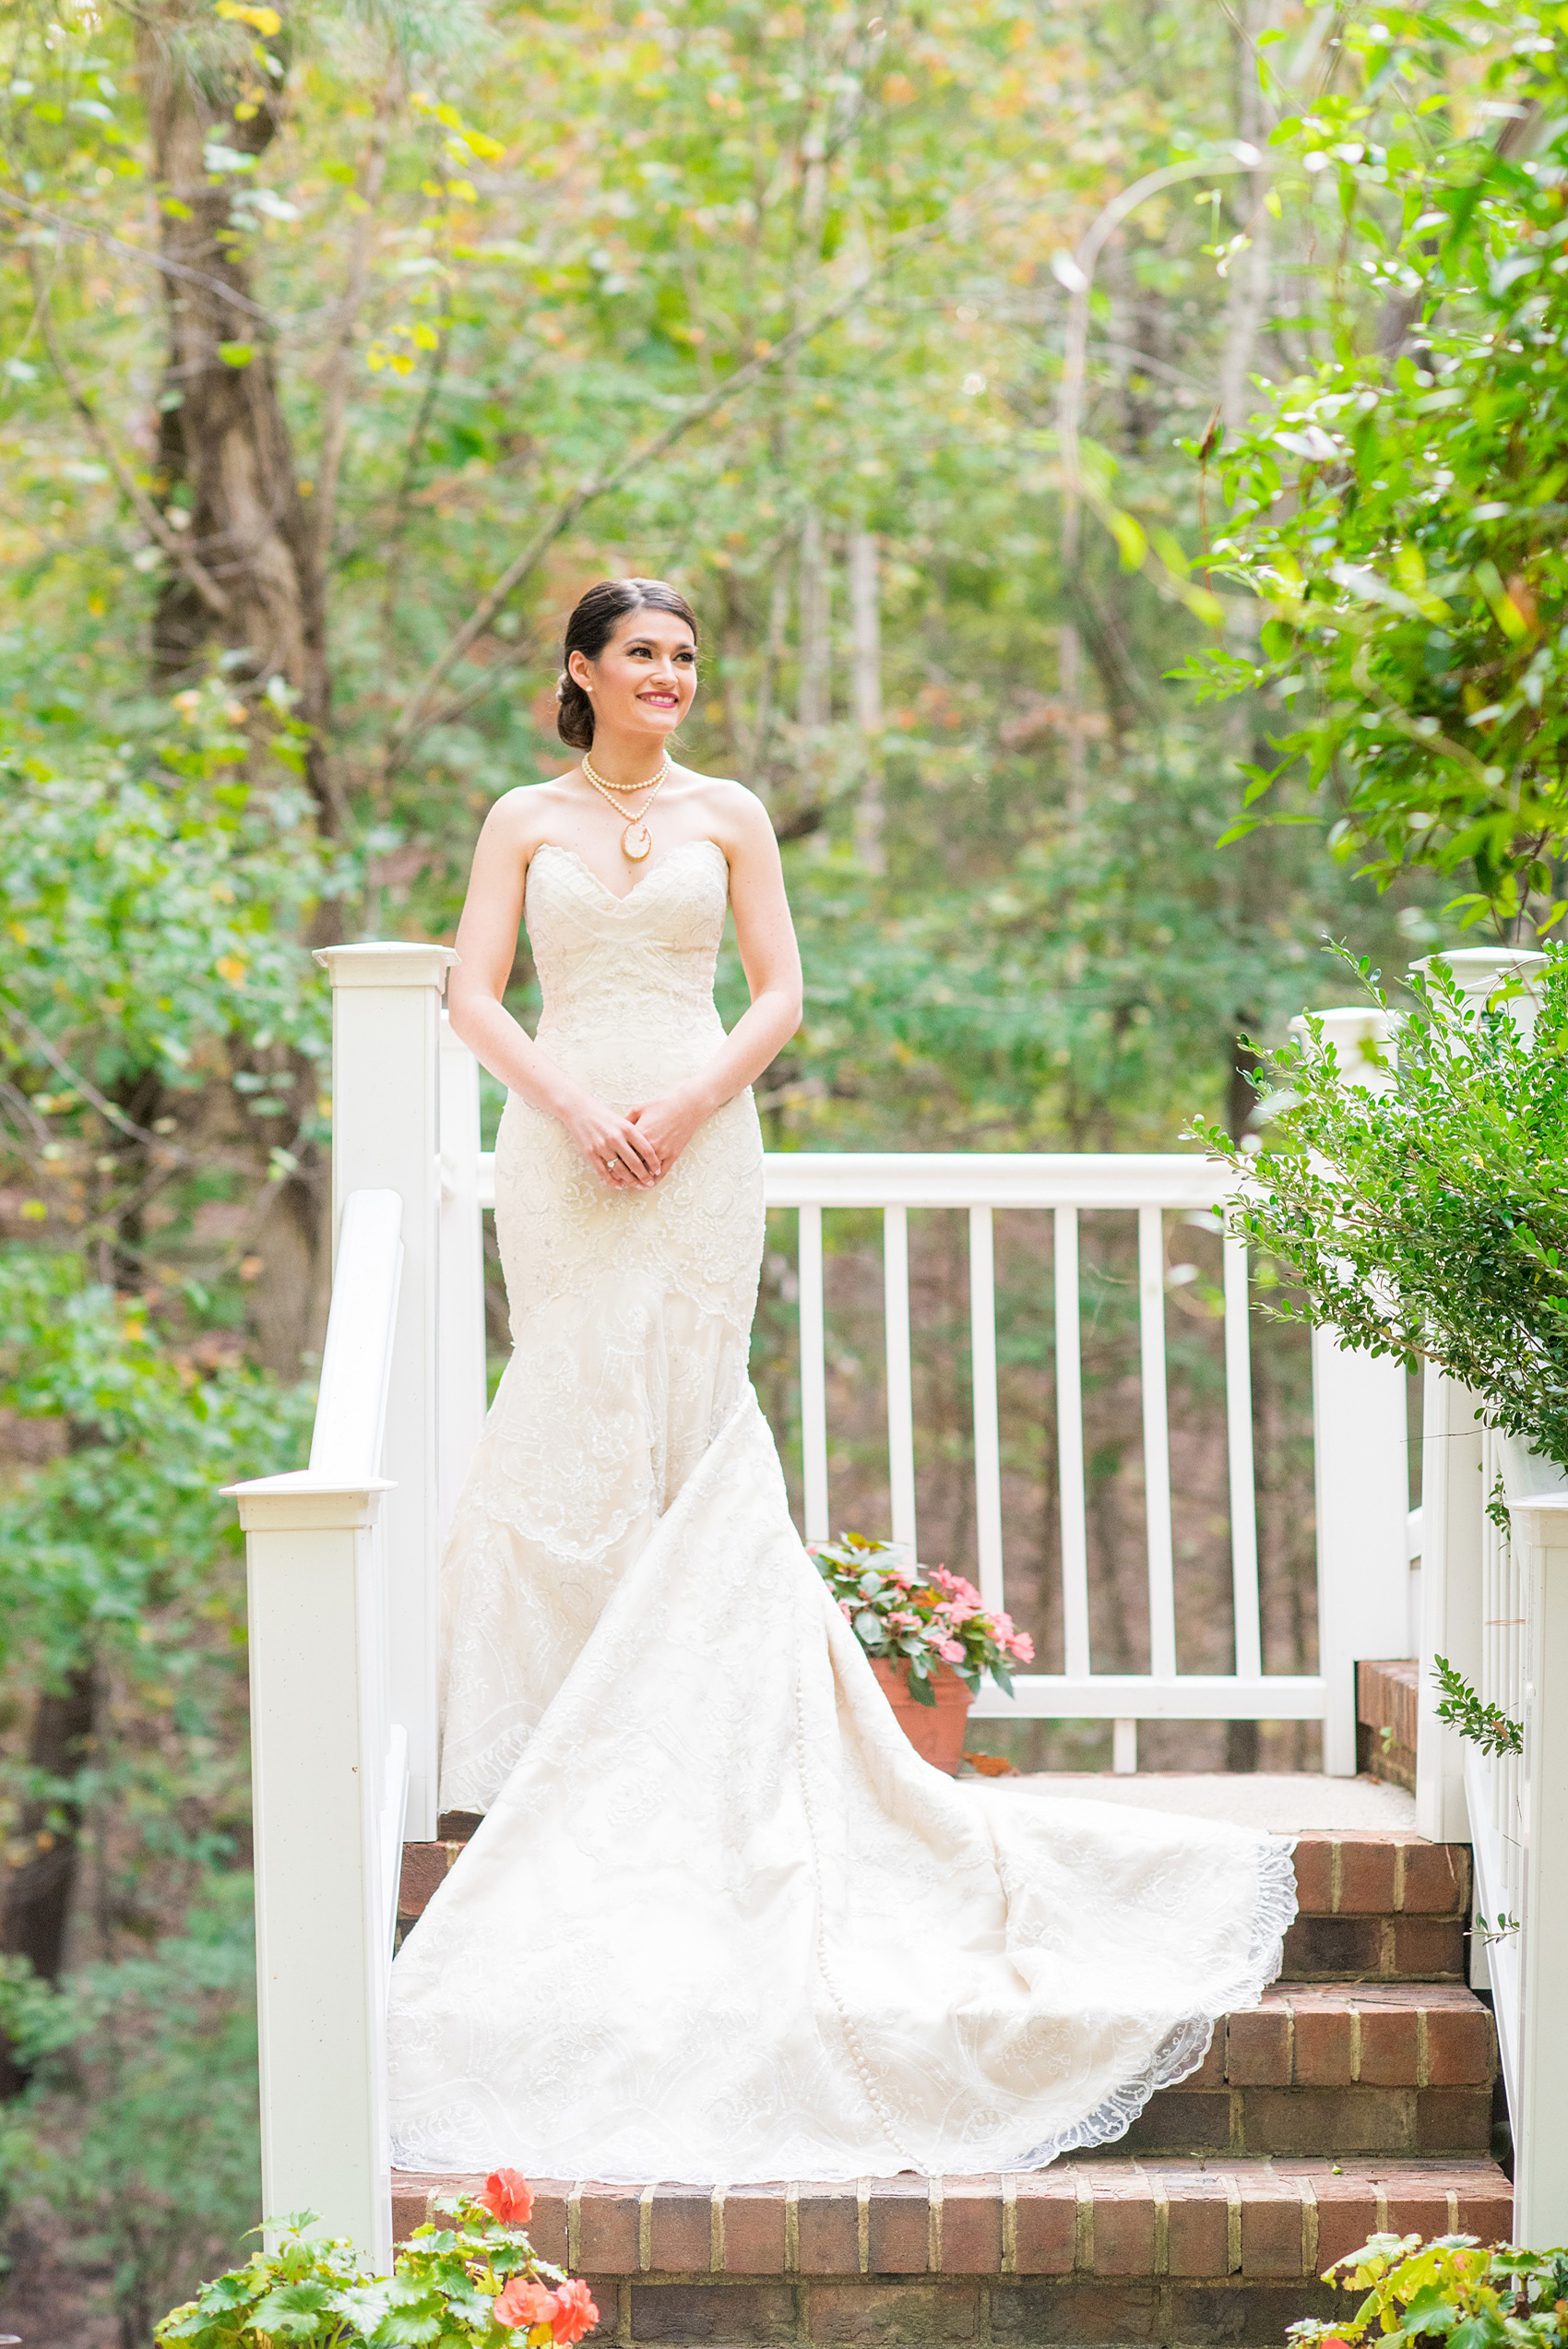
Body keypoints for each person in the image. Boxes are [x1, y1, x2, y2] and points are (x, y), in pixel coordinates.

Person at [386, 577, 1295, 2185]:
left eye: (685, 657)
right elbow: (470, 993)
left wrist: (677, 1103)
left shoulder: (731, 811)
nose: (668, 677)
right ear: (579, 671)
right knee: (573, 1405)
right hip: (558, 1137)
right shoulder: (520, 814)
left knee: (688, 1404)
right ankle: (554, 1732)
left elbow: (783, 990)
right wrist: (577, 1103)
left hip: (699, 1139)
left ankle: (700, 1732)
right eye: (641, 655)